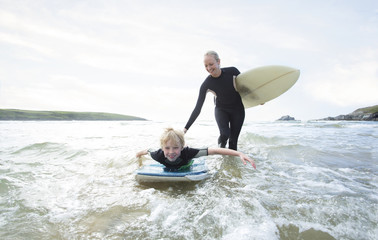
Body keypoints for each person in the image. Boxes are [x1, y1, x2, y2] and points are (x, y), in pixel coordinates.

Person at [184, 50, 245, 150]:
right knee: (225, 134)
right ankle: (221, 150)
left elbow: (246, 86)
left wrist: (259, 99)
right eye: (206, 66)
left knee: (233, 143)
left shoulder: (233, 71)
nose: (208, 68)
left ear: (219, 62)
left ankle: (231, 164)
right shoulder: (207, 84)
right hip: (221, 110)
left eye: (211, 64)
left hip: (238, 109)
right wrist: (185, 129)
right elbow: (198, 108)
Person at [136, 128, 256, 170]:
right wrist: (138, 158)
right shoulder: (158, 154)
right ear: (162, 148)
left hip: (186, 166)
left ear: (182, 147)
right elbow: (146, 151)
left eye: (176, 148)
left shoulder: (188, 153)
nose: (171, 152)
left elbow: (215, 150)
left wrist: (239, 153)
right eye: (167, 148)